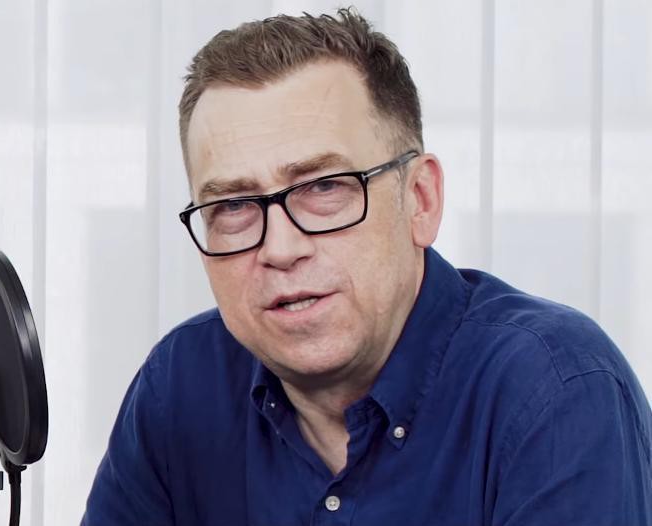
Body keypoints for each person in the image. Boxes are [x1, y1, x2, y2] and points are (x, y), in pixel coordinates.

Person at [82, 8, 652, 525]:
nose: (280, 248)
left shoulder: (557, 390)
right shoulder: (181, 385)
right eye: (233, 206)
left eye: (324, 187)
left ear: (420, 200)